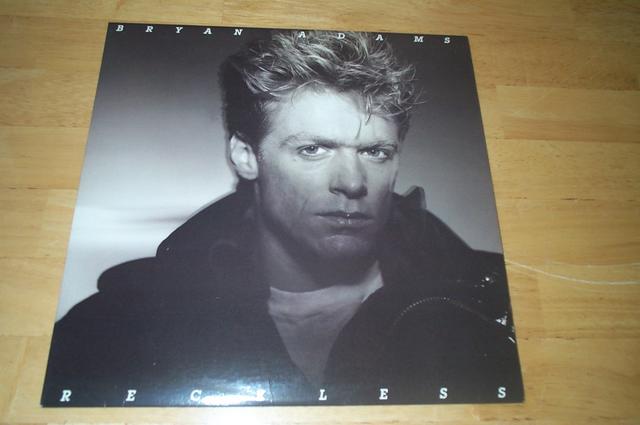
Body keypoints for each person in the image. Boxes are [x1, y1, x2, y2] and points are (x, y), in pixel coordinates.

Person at [42, 31, 523, 406]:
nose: (352, 183)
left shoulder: (494, 303)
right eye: (313, 149)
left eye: (375, 152)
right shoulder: (115, 328)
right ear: (246, 156)